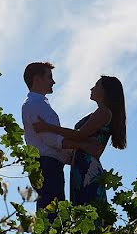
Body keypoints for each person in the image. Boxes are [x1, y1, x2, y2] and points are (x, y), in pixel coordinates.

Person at [33, 76, 126, 205]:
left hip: (87, 167)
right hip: (80, 164)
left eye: (96, 85)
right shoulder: (99, 112)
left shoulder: (104, 112)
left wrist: (48, 127)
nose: (92, 88)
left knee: (88, 208)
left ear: (105, 91)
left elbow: (80, 135)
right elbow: (83, 140)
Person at [21, 62, 70, 214]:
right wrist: (77, 149)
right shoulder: (34, 104)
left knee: (53, 211)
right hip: (47, 165)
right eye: (49, 77)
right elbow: (51, 139)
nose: (53, 81)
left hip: (49, 164)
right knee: (52, 213)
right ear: (37, 79)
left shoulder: (38, 103)